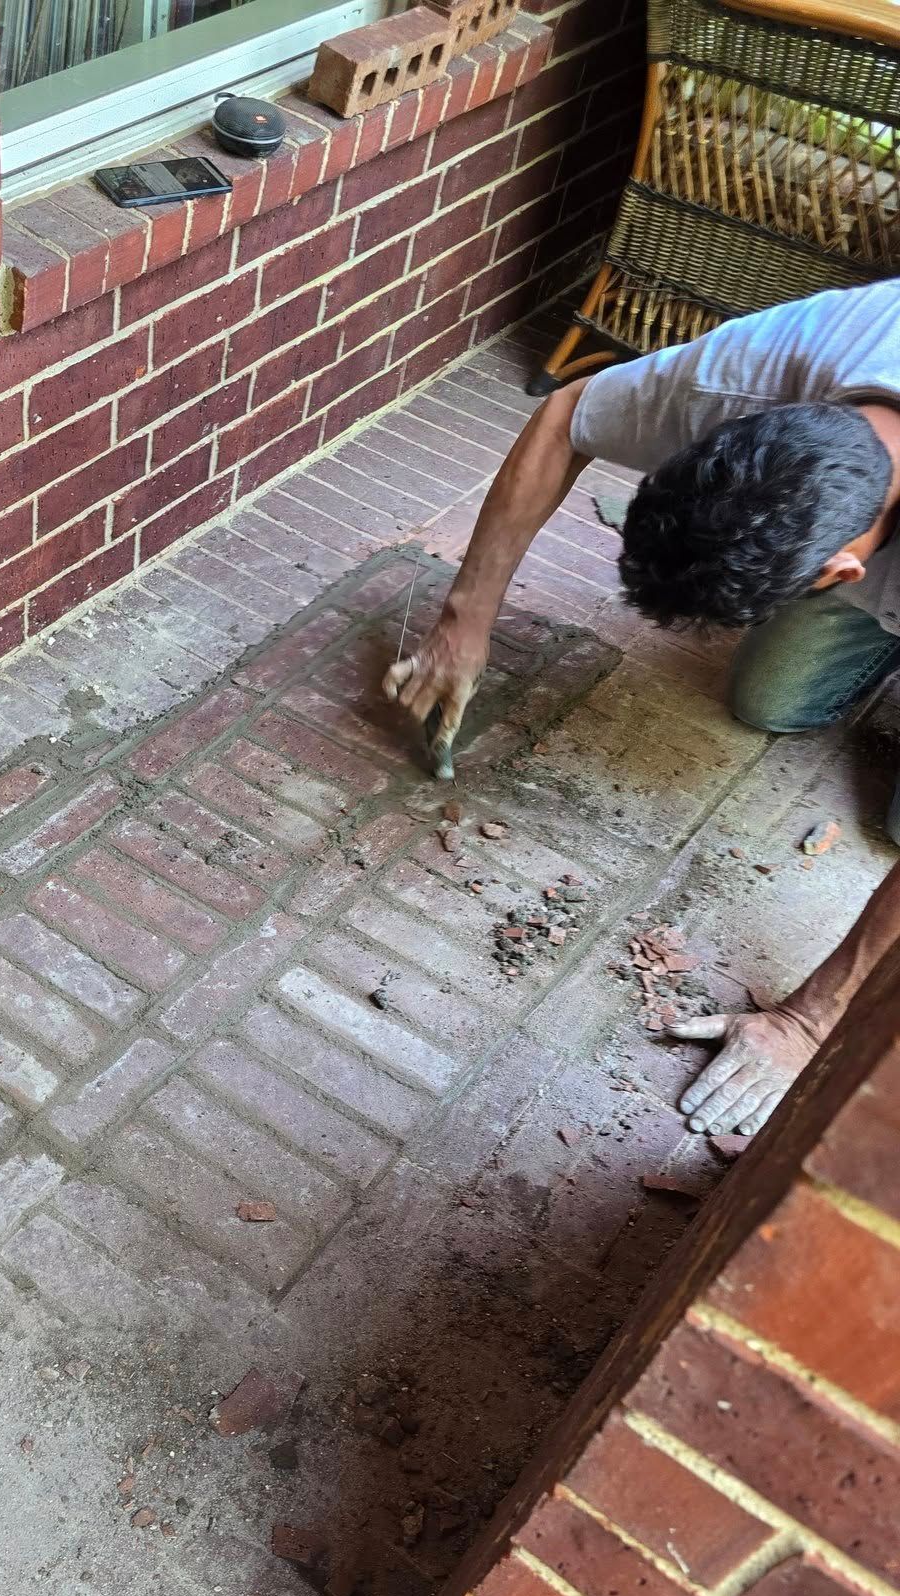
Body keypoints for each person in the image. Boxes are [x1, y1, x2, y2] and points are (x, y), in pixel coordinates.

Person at [384, 280, 900, 1139]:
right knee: (768, 697)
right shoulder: (761, 369)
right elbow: (569, 413)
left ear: (841, 573)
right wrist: (462, 622)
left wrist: (811, 1020)